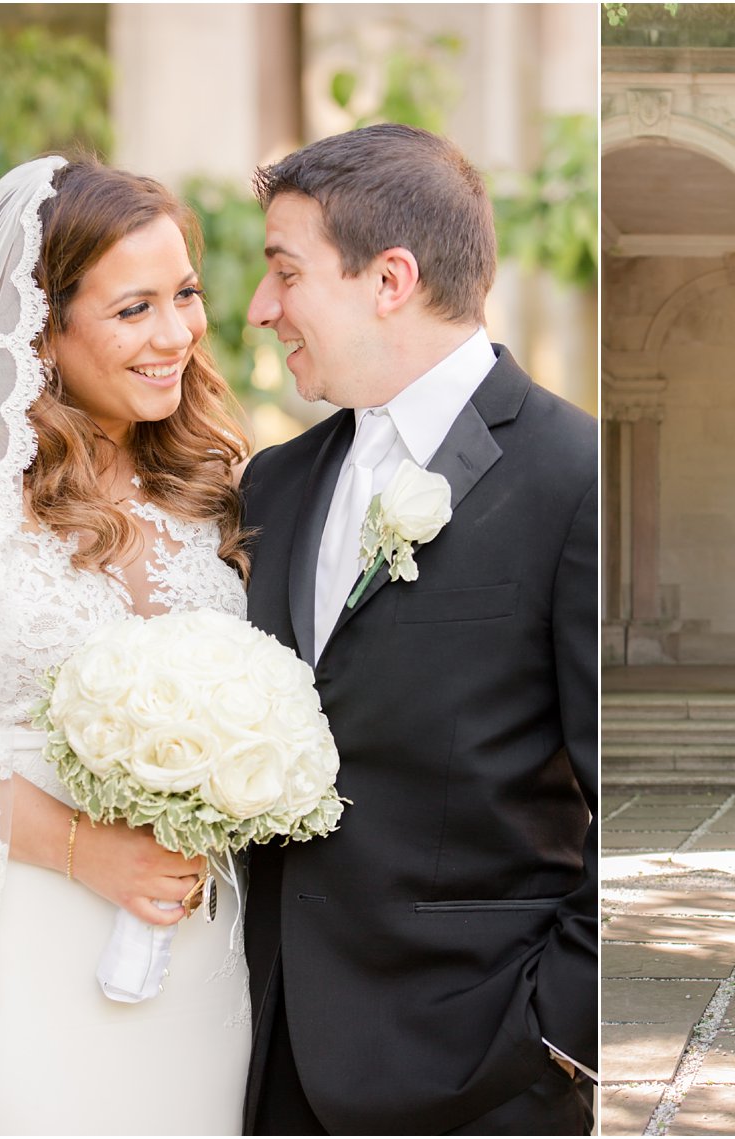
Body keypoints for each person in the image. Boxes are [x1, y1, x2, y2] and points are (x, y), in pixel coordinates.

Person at [0, 157, 253, 1133]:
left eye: (185, 293)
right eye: (133, 309)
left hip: (189, 949)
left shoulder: (206, 472)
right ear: (43, 323)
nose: (175, 335)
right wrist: (79, 847)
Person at [239, 124, 597, 1135]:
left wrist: (556, 1032)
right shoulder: (274, 483)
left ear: (388, 279)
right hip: (270, 1060)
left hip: (484, 1074)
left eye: (284, 272)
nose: (262, 309)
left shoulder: (574, 479)